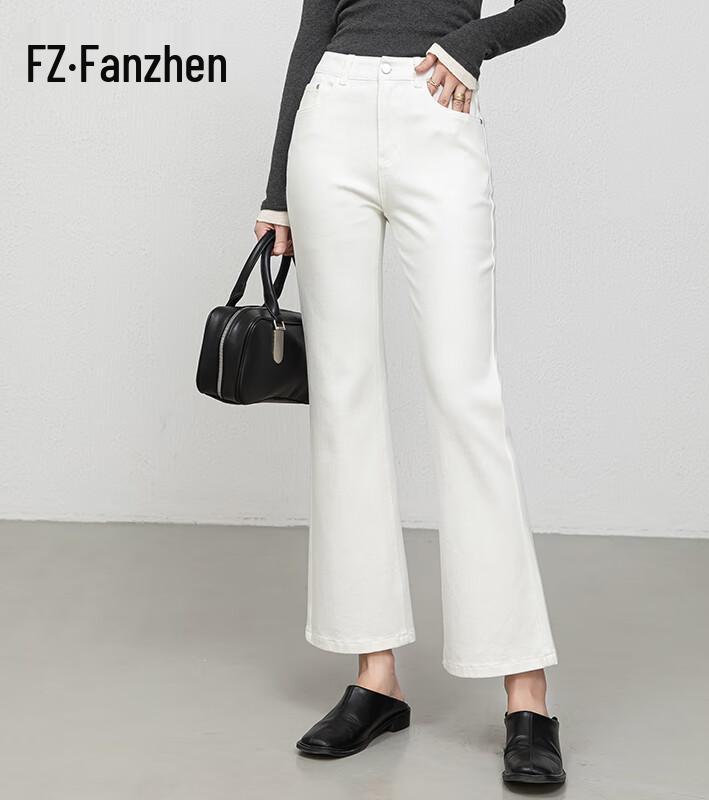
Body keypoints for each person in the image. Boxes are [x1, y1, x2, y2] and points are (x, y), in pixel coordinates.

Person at [254, 0, 567, 784]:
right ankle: (375, 677)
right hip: (331, 117)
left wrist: (471, 43)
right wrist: (276, 190)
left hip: (437, 108)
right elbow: (314, 29)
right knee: (344, 398)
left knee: (466, 397)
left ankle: (527, 694)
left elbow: (548, 7)